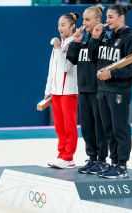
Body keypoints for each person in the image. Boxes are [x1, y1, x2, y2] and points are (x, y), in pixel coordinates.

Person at [89, 3, 132, 178]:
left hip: (118, 91)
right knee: (108, 129)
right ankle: (113, 163)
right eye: (107, 17)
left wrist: (111, 74)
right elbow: (93, 58)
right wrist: (95, 39)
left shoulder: (130, 40)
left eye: (111, 17)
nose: (107, 20)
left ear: (121, 17)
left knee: (120, 128)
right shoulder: (107, 37)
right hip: (103, 90)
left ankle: (122, 166)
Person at [66, 4, 108, 175]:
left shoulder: (104, 37)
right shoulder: (82, 38)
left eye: (87, 19)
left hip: (97, 89)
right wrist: (76, 42)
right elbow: (72, 59)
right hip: (83, 87)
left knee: (99, 127)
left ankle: (101, 160)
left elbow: (96, 56)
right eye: (83, 19)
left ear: (98, 20)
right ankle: (91, 158)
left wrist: (95, 38)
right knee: (87, 127)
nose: (84, 22)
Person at [45, 12, 79, 169]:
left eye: (63, 25)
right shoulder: (59, 45)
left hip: (69, 91)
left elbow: (66, 67)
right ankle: (61, 155)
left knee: (68, 125)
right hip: (57, 91)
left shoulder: (75, 44)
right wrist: (48, 89)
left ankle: (68, 157)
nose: (60, 28)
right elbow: (52, 70)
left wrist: (58, 49)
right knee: (59, 126)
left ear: (73, 26)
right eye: (59, 25)